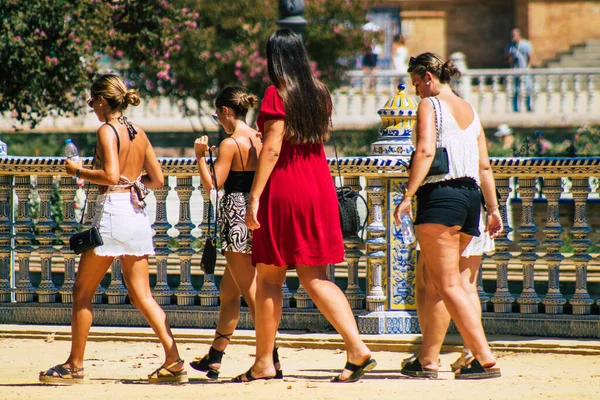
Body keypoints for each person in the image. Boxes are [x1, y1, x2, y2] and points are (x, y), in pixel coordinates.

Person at [236, 28, 376, 383]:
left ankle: (265, 362)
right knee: (316, 276)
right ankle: (356, 348)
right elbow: (321, 137)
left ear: (275, 58)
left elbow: (272, 147)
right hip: (318, 185)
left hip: (285, 187)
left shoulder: (275, 93)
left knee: (269, 277)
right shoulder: (319, 92)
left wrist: (254, 196)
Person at [40, 74, 186, 384]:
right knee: (143, 296)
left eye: (92, 101)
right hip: (136, 213)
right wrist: (134, 184)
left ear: (103, 101)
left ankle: (75, 364)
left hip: (112, 214)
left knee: (82, 292)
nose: (92, 106)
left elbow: (109, 175)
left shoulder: (107, 130)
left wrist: (77, 169)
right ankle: (174, 359)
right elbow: (157, 179)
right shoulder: (139, 132)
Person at [394, 53, 503, 380]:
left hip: (441, 196)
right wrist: (494, 208)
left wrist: (408, 195)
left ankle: (484, 358)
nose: (416, 92)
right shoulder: (470, 110)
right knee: (433, 282)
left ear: (428, 76)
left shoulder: (431, 105)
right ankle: (428, 359)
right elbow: (484, 166)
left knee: (447, 283)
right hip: (471, 199)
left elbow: (426, 151)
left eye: (416, 84)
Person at [190, 86, 282, 380]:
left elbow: (213, 185)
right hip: (258, 213)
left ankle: (271, 358)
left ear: (226, 111)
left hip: (236, 217)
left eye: (218, 114)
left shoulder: (231, 143)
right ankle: (214, 357)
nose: (219, 119)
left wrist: (200, 157)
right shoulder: (259, 137)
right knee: (229, 291)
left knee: (253, 293)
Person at [505, 28, 533, 112]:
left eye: (514, 35)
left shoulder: (525, 44)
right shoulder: (510, 47)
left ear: (519, 36)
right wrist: (510, 60)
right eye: (512, 36)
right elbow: (506, 58)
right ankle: (515, 108)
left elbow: (530, 56)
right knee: (515, 90)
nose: (513, 37)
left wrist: (528, 67)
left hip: (524, 70)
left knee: (528, 88)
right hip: (515, 70)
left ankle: (529, 107)